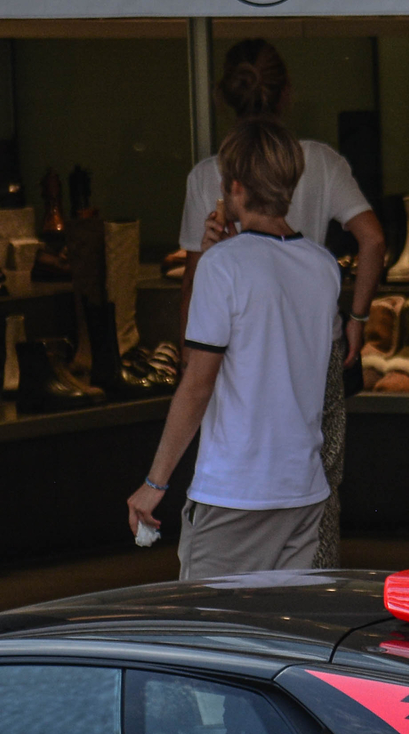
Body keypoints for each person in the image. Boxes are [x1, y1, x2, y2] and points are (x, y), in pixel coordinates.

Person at [177, 38, 385, 567]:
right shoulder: (319, 160)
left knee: (235, 481)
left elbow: (196, 283)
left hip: (235, 349)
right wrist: (356, 318)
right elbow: (373, 239)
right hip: (314, 345)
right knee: (319, 483)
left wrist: (189, 355)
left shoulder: (210, 175)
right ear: (287, 93)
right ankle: (309, 597)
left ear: (225, 95)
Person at [129, 119, 341, 578]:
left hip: (236, 492)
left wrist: (154, 482)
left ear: (235, 187)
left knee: (208, 638)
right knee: (280, 640)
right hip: (303, 490)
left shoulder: (222, 266)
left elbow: (198, 380)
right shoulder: (324, 267)